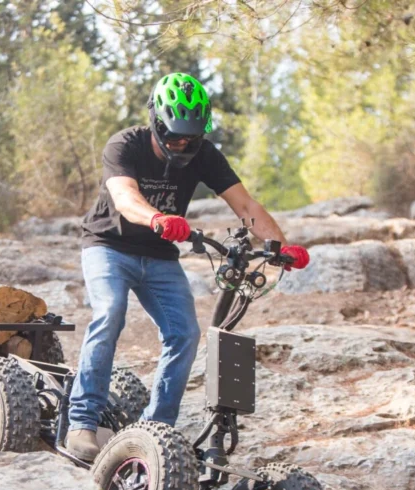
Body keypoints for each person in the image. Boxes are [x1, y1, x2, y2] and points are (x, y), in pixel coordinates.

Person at [65, 72, 310, 461]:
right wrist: (158, 218)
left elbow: (245, 206)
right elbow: (125, 197)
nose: (182, 144)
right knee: (110, 312)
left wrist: (280, 245)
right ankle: (81, 423)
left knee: (185, 334)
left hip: (160, 257)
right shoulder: (124, 145)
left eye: (191, 137)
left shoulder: (205, 155)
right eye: (174, 135)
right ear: (156, 123)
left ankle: (155, 429)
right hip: (108, 246)